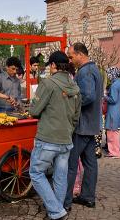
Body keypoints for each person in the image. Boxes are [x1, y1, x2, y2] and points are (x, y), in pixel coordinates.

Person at [29, 51, 81, 220]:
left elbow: (34, 111)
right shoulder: (75, 87)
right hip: (66, 139)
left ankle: (56, 211)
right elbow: (76, 117)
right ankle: (57, 210)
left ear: (53, 65)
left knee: (36, 173)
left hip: (48, 138)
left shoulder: (48, 83)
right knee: (60, 176)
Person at [64, 42, 103, 210]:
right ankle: (88, 197)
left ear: (80, 54)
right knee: (90, 163)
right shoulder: (94, 70)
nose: (70, 60)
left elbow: (88, 96)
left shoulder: (85, 71)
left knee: (71, 164)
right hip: (91, 124)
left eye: (71, 57)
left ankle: (64, 202)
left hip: (82, 125)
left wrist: (70, 101)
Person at [104, 67, 120, 158]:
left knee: (111, 132)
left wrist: (104, 96)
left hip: (113, 110)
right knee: (114, 131)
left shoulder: (114, 85)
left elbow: (113, 99)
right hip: (119, 110)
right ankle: (114, 151)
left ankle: (114, 152)